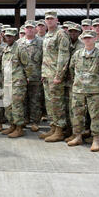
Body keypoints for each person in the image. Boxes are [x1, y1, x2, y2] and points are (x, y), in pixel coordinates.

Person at [68, 30, 99, 151]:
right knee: (77, 114)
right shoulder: (77, 54)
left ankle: (96, 139)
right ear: (83, 40)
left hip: (94, 90)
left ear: (95, 39)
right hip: (78, 89)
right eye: (85, 38)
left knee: (95, 115)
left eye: (90, 38)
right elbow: (71, 69)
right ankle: (77, 136)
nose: (88, 40)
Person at [39, 11, 71, 143]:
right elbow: (45, 56)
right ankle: (53, 127)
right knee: (50, 103)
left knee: (57, 103)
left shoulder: (61, 34)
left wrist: (59, 75)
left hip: (55, 76)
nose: (49, 21)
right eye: (47, 19)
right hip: (47, 74)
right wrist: (43, 73)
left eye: (52, 19)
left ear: (57, 20)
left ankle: (59, 131)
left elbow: (63, 56)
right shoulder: (47, 35)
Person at [1, 28, 33, 138]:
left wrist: (27, 77)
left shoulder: (20, 48)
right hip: (7, 81)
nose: (8, 38)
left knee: (17, 105)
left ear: (15, 37)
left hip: (17, 82)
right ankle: (12, 125)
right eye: (6, 36)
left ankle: (19, 128)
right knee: (8, 105)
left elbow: (27, 65)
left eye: (10, 36)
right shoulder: (5, 48)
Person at [18, 20, 43, 132]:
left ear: (35, 29)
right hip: (22, 77)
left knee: (35, 100)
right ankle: (24, 119)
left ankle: (35, 122)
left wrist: (43, 73)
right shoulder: (18, 43)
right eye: (27, 28)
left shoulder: (41, 42)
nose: (29, 30)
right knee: (23, 100)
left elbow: (45, 60)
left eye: (32, 28)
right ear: (24, 29)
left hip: (36, 76)